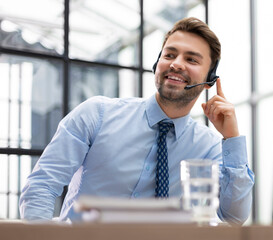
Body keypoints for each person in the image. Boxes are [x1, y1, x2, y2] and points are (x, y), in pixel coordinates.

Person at [19, 17, 254, 224]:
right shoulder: (96, 114)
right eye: (169, 55)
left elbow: (234, 217)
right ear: (156, 65)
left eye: (191, 60)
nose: (176, 63)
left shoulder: (209, 147)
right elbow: (41, 186)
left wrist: (232, 138)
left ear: (209, 80)